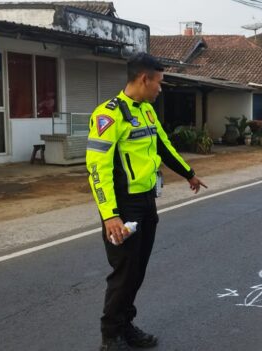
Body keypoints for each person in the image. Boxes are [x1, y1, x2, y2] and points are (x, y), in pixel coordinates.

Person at [86, 53, 207, 351]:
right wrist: (109, 215)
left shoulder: (147, 113)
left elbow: (164, 147)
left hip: (146, 202)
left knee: (137, 271)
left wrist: (188, 173)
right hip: (122, 208)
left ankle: (126, 326)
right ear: (144, 79)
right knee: (123, 273)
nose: (161, 89)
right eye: (159, 82)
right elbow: (97, 170)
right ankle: (109, 335)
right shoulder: (108, 115)